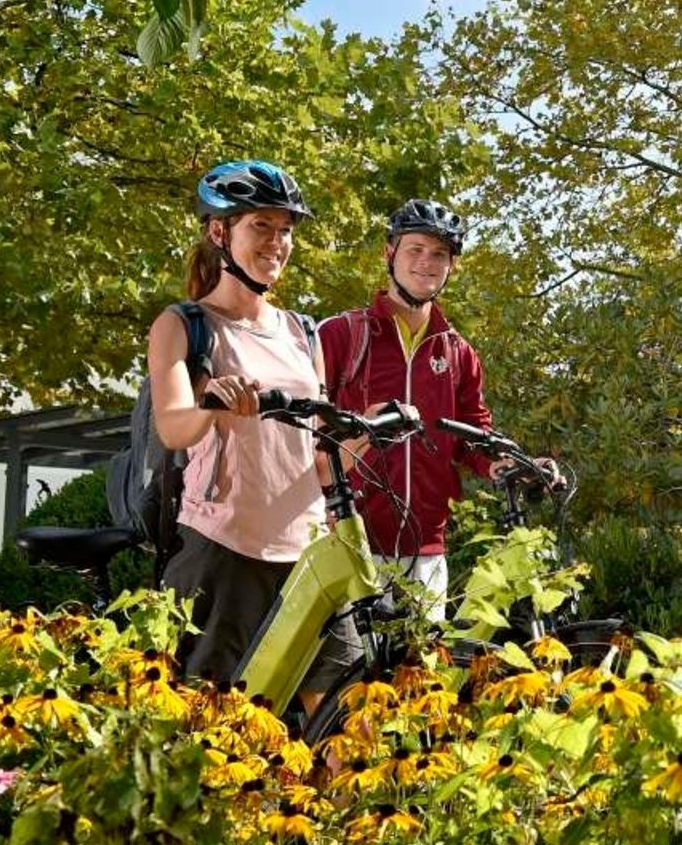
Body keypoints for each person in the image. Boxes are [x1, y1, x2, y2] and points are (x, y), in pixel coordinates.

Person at [148, 160, 359, 695]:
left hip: (309, 552)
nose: (277, 242)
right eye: (260, 226)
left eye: (285, 230)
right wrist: (214, 404)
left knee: (343, 709)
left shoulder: (302, 332)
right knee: (209, 725)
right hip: (225, 549)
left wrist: (361, 438)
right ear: (220, 232)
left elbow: (313, 452)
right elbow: (174, 427)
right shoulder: (184, 325)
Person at [318, 199, 503, 619]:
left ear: (452, 265)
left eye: (439, 254)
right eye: (415, 249)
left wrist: (502, 463)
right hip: (349, 540)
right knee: (351, 680)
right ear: (390, 253)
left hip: (425, 551)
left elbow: (471, 433)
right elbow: (302, 435)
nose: (427, 262)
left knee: (421, 676)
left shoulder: (457, 352)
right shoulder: (342, 335)